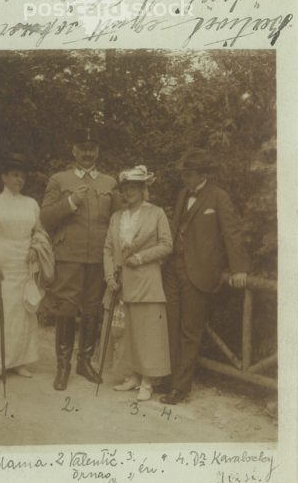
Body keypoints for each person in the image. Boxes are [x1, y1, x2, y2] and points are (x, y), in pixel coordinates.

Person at [161, 149, 251, 405]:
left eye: (188, 174)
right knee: (170, 324)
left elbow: (231, 233)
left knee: (190, 330)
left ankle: (180, 388)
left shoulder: (219, 197)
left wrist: (238, 268)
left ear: (201, 174)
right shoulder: (182, 195)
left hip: (199, 272)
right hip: (173, 269)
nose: (184, 179)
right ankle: (168, 379)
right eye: (184, 174)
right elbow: (175, 228)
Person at [40, 125, 121, 391]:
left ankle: (84, 362)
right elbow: (46, 217)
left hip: (99, 258)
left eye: (92, 148)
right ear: (74, 149)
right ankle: (62, 366)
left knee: (92, 309)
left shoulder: (110, 183)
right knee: (65, 308)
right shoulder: (59, 180)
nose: (88, 153)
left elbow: (119, 221)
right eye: (83, 148)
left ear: (98, 151)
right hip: (69, 256)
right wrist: (71, 202)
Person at [103, 166, 173, 401]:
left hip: (147, 281)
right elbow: (109, 249)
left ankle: (147, 380)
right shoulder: (117, 217)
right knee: (129, 333)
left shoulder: (156, 213)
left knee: (149, 333)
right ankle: (132, 376)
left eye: (134, 187)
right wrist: (110, 277)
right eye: (126, 188)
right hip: (122, 283)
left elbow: (166, 244)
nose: (129, 192)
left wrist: (141, 257)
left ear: (143, 189)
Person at [0, 153, 43, 387]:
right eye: (15, 175)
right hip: (1, 261)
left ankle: (19, 361)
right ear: (4, 177)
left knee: (23, 313)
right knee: (0, 312)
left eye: (22, 176)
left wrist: (35, 248)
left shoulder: (31, 204)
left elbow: (40, 233)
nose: (19, 180)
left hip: (24, 263)